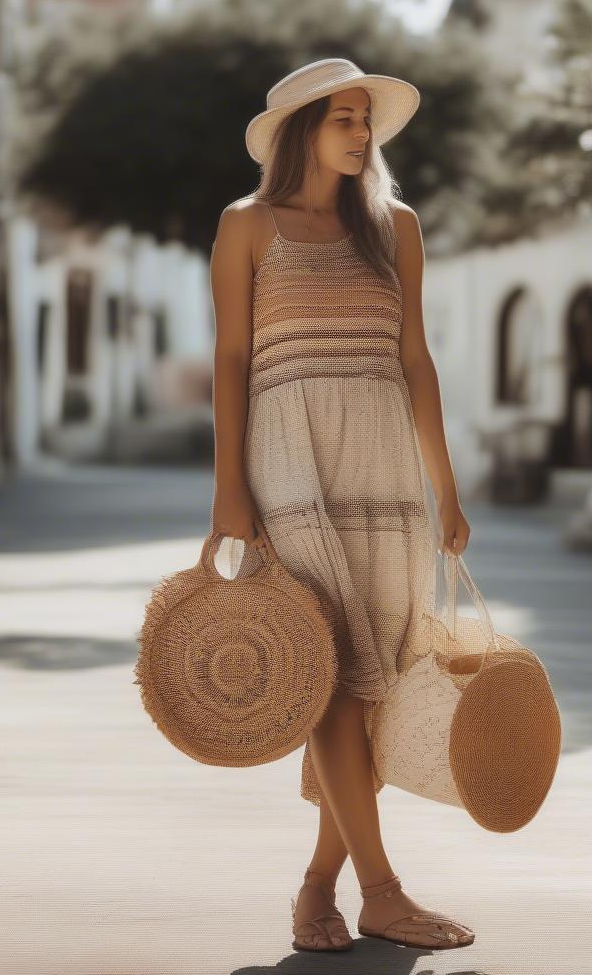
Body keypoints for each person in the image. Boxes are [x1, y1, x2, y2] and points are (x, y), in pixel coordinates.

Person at [209, 58, 475, 952]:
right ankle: (383, 891)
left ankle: (320, 887)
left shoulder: (394, 228)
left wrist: (445, 486)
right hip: (290, 464)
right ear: (300, 133)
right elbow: (234, 363)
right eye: (343, 120)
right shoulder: (246, 227)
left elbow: (416, 362)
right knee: (324, 671)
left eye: (366, 120)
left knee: (369, 687)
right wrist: (227, 494)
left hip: (383, 466)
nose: (361, 135)